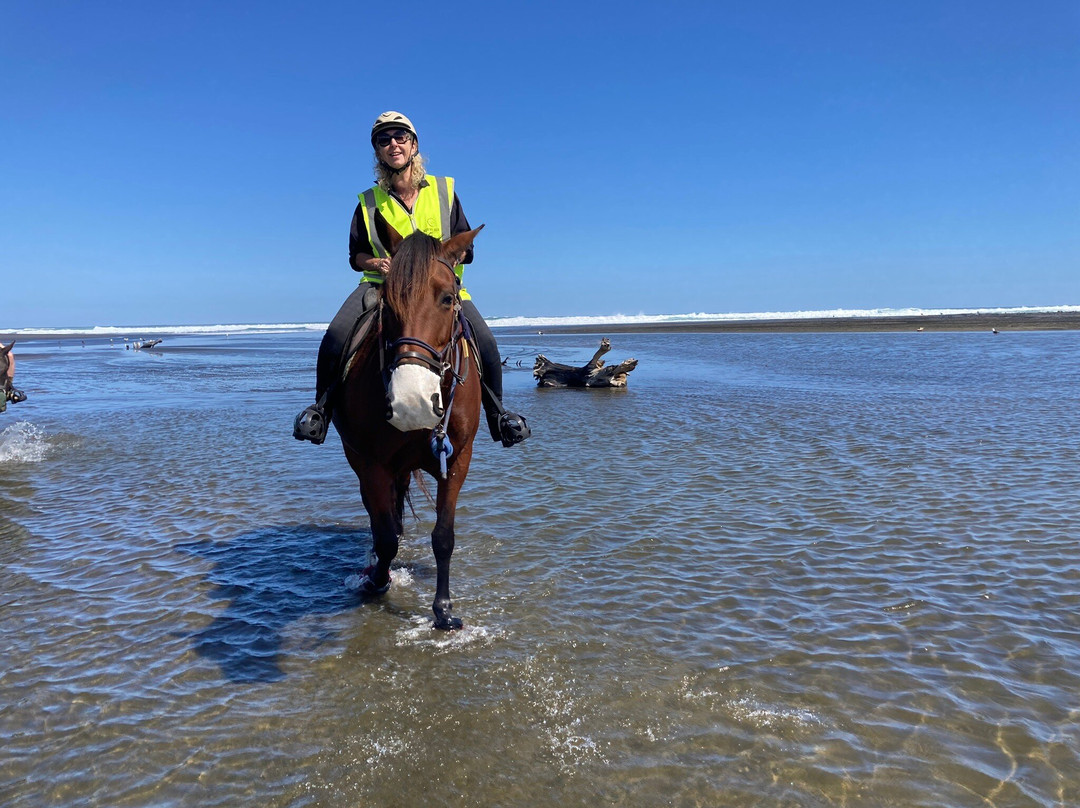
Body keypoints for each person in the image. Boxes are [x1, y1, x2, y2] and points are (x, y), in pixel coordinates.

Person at [294, 111, 530, 448]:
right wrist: (374, 261)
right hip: (382, 286)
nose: (393, 144)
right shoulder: (368, 202)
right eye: (383, 139)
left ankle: (498, 415)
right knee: (335, 335)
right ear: (377, 151)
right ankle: (321, 410)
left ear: (414, 144)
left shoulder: (444, 190)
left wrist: (450, 257)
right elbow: (355, 256)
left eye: (400, 137)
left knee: (487, 344)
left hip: (438, 290)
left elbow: (466, 243)